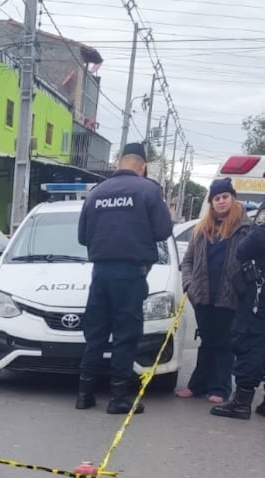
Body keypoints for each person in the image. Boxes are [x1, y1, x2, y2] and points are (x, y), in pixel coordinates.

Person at [75, 142, 174, 414]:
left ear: (119, 162)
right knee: (125, 334)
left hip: (101, 273)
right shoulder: (148, 190)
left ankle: (84, 394)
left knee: (95, 332)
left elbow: (82, 237)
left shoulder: (96, 193)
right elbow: (164, 230)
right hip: (130, 274)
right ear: (142, 167)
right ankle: (118, 398)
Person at [178, 178, 250, 404]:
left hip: (230, 297)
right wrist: (189, 285)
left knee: (224, 344)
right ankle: (197, 385)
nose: (221, 202)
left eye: (225, 197)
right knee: (207, 342)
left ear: (233, 198)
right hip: (203, 296)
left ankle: (220, 388)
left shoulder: (244, 229)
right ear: (211, 203)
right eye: (216, 198)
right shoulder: (202, 229)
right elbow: (187, 261)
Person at [209, 201, 265, 420]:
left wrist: (256, 227)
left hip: (259, 299)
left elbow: (244, 249)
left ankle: (241, 403)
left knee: (251, 342)